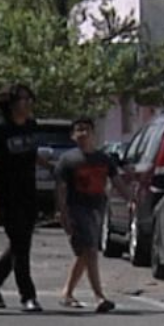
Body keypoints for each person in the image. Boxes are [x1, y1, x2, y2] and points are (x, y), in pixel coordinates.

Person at [0, 83, 51, 312]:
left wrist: (50, 166)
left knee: (21, 244)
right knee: (21, 245)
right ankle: (27, 296)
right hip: (7, 194)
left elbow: (31, 154)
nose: (28, 104)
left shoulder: (31, 126)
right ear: (11, 104)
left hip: (29, 192)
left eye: (30, 99)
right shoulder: (0, 132)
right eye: (23, 99)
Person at [55, 118, 119, 313]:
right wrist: (62, 212)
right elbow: (60, 188)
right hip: (76, 209)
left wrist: (132, 198)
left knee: (84, 253)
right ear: (73, 135)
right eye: (79, 130)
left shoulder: (103, 158)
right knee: (90, 250)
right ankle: (99, 296)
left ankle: (67, 292)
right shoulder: (68, 160)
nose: (83, 133)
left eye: (87, 130)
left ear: (93, 133)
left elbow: (117, 181)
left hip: (97, 209)